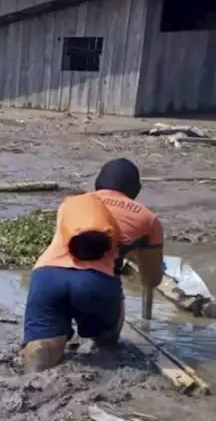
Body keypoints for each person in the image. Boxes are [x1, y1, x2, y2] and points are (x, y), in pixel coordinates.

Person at [21, 159, 164, 372]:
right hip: (95, 282)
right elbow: (152, 278)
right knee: (107, 341)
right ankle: (101, 354)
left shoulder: (72, 203)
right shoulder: (148, 219)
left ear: (97, 183)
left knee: (44, 341)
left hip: (47, 276)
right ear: (136, 190)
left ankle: (34, 370)